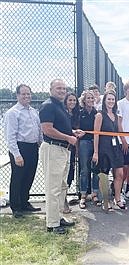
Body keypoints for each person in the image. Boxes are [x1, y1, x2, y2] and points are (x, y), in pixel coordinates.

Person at [39, 79, 84, 234]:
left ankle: (58, 217)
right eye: (58, 88)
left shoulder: (60, 106)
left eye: (64, 88)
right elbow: (47, 129)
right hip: (53, 149)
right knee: (53, 188)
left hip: (63, 150)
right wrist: (67, 138)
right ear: (51, 89)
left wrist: (72, 133)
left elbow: (61, 128)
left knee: (62, 186)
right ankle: (52, 224)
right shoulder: (48, 106)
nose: (62, 91)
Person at [4, 84, 43, 218]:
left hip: (33, 147)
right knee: (18, 177)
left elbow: (39, 129)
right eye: (23, 94)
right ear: (17, 95)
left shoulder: (33, 111)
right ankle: (16, 207)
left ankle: (25, 202)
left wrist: (40, 143)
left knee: (29, 176)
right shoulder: (12, 113)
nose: (27, 96)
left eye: (28, 94)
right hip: (20, 147)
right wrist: (17, 154)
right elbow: (10, 136)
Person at [92, 91, 126, 210]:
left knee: (120, 174)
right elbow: (96, 134)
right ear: (104, 101)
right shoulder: (100, 115)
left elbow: (119, 131)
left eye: (113, 99)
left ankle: (117, 199)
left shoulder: (116, 116)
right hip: (104, 148)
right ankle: (105, 201)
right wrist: (96, 152)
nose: (111, 101)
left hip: (115, 147)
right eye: (109, 99)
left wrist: (124, 141)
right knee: (104, 175)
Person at [78, 90, 99, 209]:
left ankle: (95, 193)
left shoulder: (97, 113)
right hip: (84, 143)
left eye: (92, 98)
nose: (90, 100)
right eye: (88, 98)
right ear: (84, 100)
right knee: (85, 170)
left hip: (95, 143)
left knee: (96, 168)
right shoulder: (80, 113)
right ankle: (83, 195)